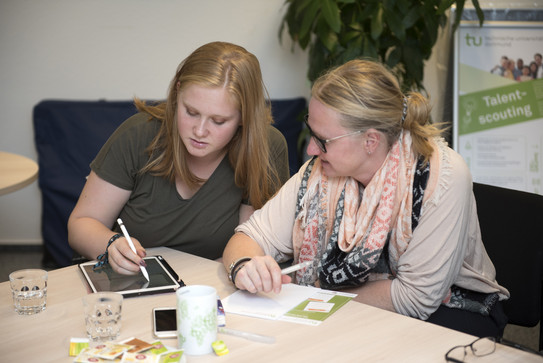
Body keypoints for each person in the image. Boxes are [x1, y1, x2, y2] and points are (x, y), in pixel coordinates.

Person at [223, 59, 510, 338]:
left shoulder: (442, 176)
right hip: (350, 312)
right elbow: (249, 236)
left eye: (322, 140)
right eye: (312, 133)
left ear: (370, 141)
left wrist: (317, 298)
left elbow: (415, 298)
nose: (311, 149)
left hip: (452, 314)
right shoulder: (319, 172)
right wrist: (245, 266)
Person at [68, 41, 290, 275]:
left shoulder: (265, 147)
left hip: (213, 287)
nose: (200, 131)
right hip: (129, 281)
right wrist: (111, 244)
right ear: (177, 93)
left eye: (218, 121)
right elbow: (81, 224)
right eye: (191, 112)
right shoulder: (138, 136)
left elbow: (251, 242)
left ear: (244, 116)